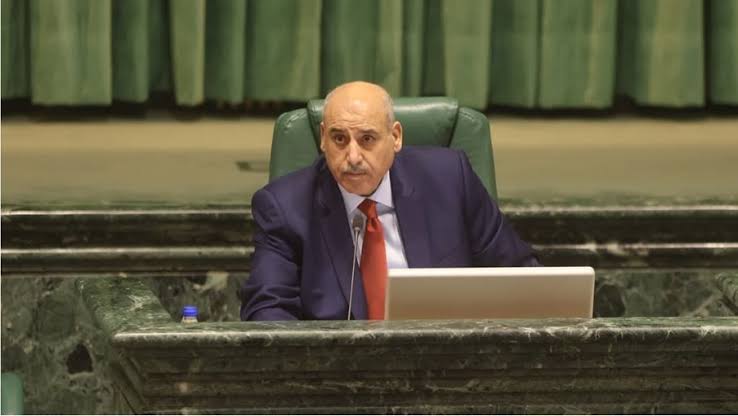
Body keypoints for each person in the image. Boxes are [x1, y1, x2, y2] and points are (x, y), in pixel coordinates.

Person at [241, 81, 539, 321]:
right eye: (339, 139)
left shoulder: (450, 180)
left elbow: (520, 277)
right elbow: (267, 311)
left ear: (395, 137)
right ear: (322, 138)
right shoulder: (285, 207)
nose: (353, 157)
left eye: (367, 139)